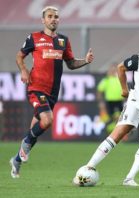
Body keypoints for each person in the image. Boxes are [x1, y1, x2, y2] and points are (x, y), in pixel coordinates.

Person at [73, 29, 139, 187]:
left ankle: (129, 178)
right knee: (117, 135)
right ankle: (89, 167)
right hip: (135, 102)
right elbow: (121, 67)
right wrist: (124, 89)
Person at [9, 6, 94, 179]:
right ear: (43, 20)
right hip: (36, 87)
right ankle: (24, 143)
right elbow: (19, 56)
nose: (54, 19)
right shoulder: (34, 38)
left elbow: (70, 63)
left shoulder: (63, 41)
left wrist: (84, 61)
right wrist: (24, 70)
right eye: (50, 16)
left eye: (56, 16)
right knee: (47, 121)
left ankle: (16, 160)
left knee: (35, 127)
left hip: (53, 92)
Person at [97, 63, 124, 133]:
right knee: (112, 118)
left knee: (119, 118)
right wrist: (101, 102)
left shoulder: (120, 78)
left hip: (119, 101)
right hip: (110, 102)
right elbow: (99, 91)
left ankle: (116, 132)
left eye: (115, 69)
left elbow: (125, 89)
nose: (113, 71)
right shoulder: (106, 80)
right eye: (112, 69)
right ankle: (112, 132)